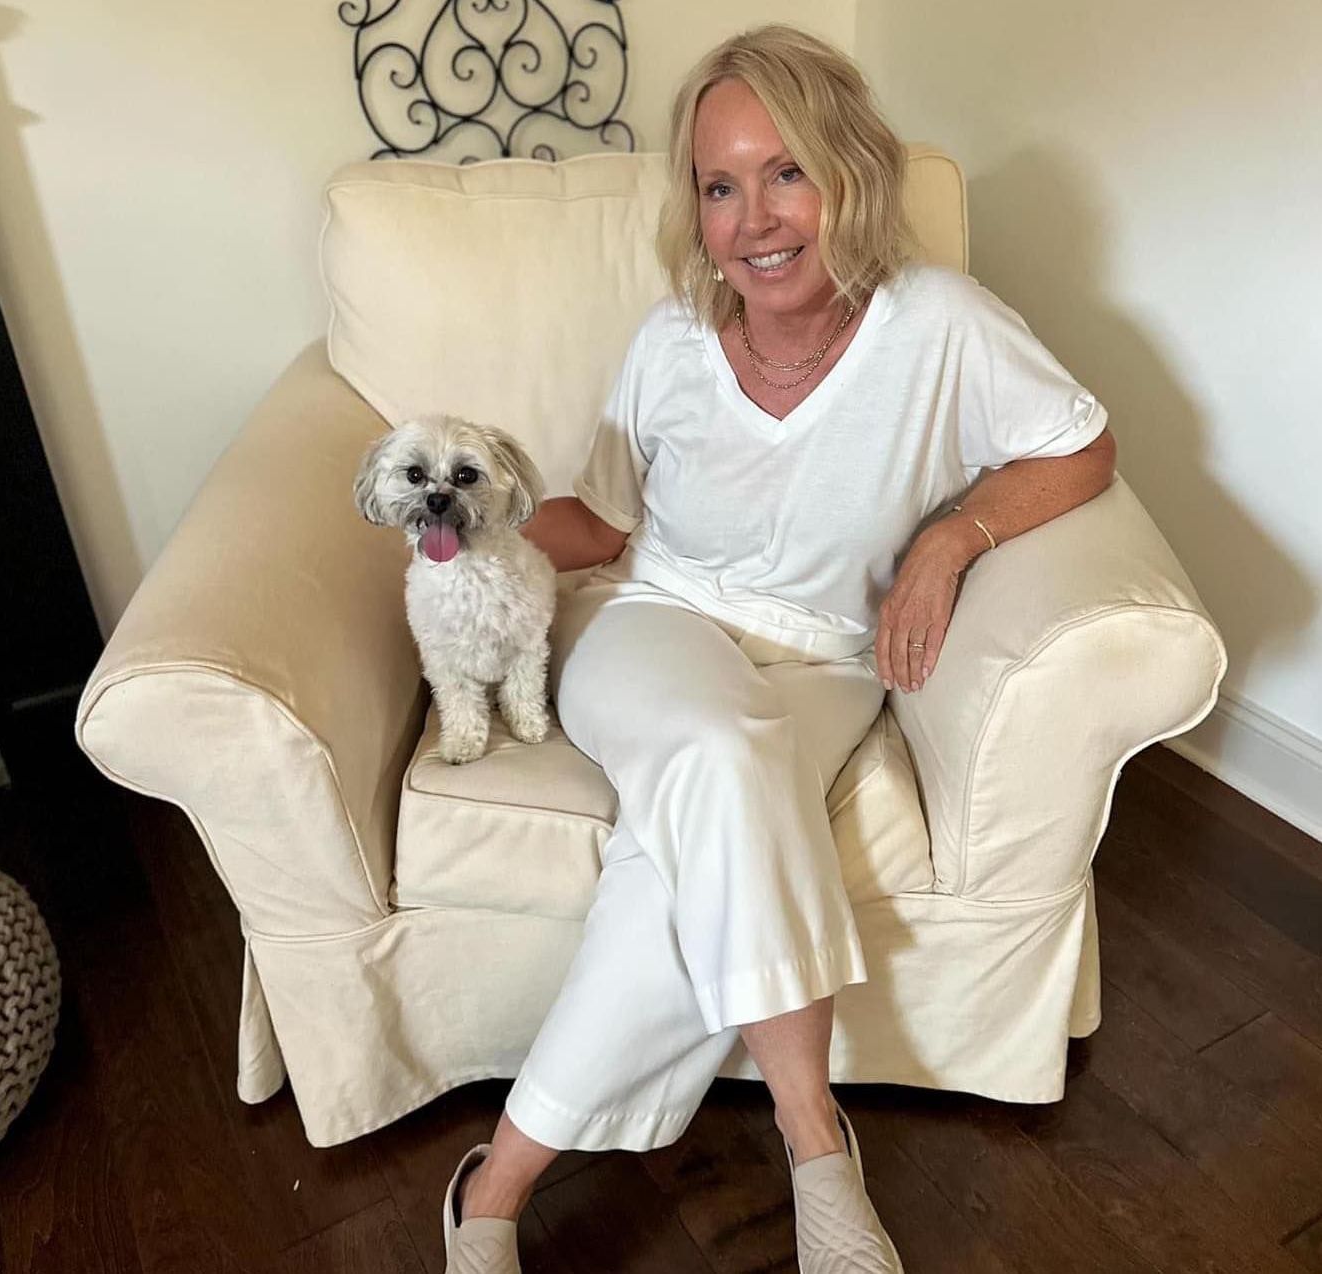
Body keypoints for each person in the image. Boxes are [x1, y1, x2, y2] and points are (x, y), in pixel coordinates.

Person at [441, 24, 1117, 1274]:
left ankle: (491, 1188)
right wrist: (468, 523)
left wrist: (951, 537)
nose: (753, 217)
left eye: (783, 171)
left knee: (679, 849)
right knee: (715, 739)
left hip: (822, 661)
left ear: (848, 172)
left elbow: (1080, 444)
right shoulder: (671, 343)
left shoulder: (940, 326)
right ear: (694, 209)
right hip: (654, 625)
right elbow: (602, 519)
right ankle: (817, 1143)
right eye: (717, 184)